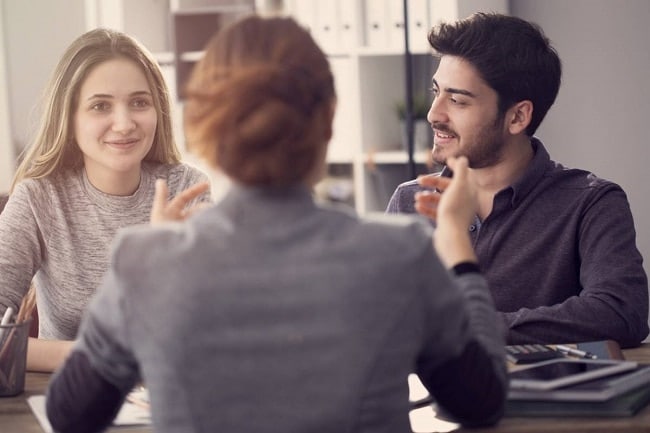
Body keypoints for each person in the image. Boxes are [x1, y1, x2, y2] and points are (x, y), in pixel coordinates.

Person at [45, 15, 507, 433]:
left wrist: (149, 268)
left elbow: (71, 415)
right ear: (327, 121)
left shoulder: (147, 260)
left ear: (203, 123)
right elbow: (480, 402)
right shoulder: (402, 253)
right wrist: (456, 247)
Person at [387, 12, 649, 348]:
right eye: (436, 92)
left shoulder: (591, 202)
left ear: (518, 116)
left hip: (549, 400)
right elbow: (386, 321)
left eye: (457, 100)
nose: (434, 113)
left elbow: (621, 312)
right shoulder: (410, 200)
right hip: (432, 400)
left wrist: (476, 329)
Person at [0, 28, 211, 373]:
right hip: (67, 401)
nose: (124, 123)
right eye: (100, 106)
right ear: (69, 119)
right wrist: (93, 356)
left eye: (139, 103)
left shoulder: (186, 188)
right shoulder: (39, 199)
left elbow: (210, 326)